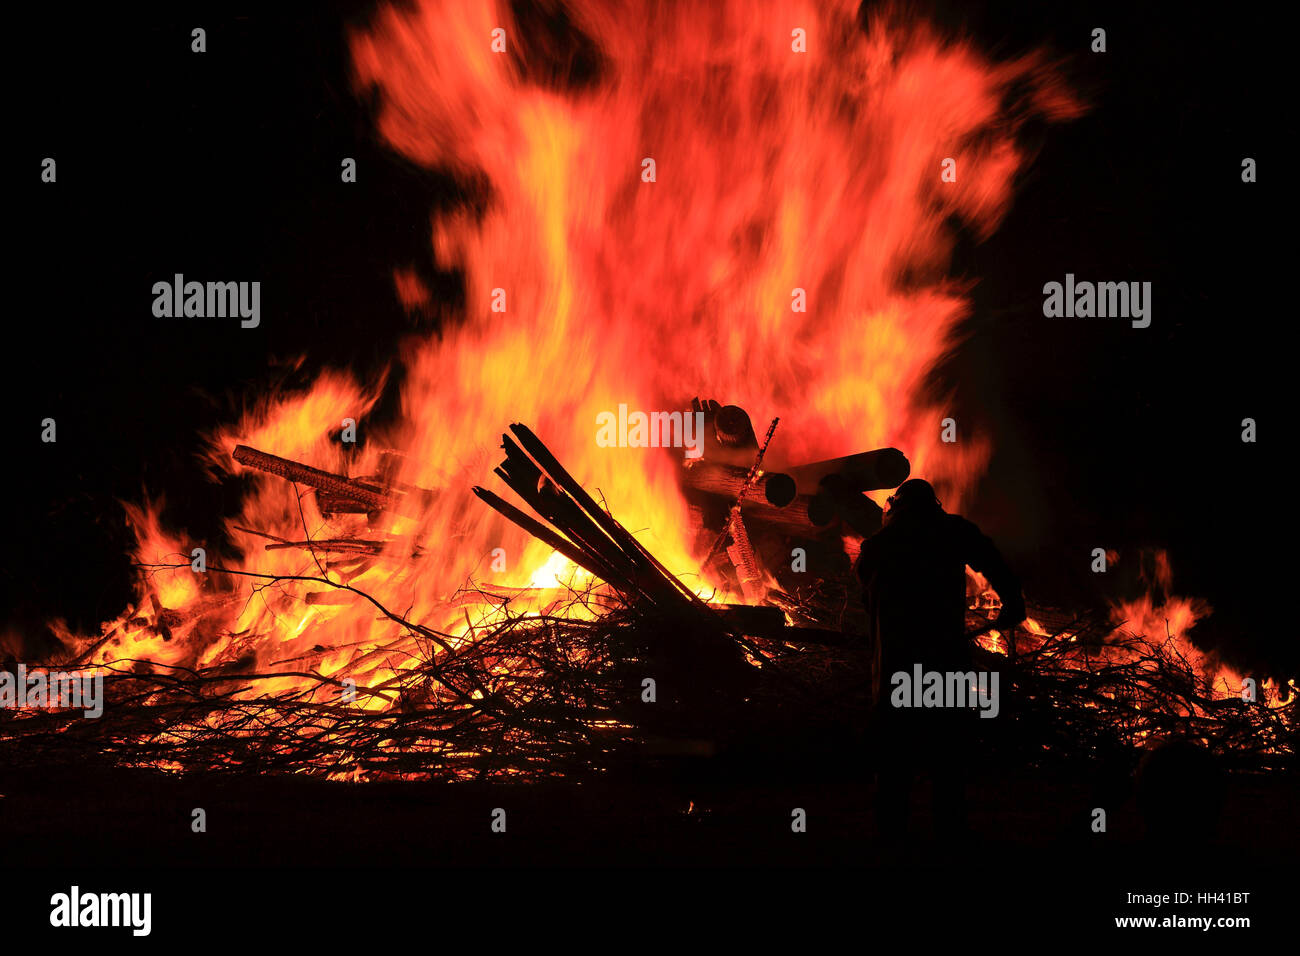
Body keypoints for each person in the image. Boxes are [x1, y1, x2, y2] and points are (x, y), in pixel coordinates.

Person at [855, 478, 1024, 843]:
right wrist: (1012, 601)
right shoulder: (953, 532)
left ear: (895, 508)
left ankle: (892, 834)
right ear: (935, 505)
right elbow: (991, 558)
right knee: (947, 751)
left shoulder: (877, 546)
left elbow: (866, 599)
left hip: (895, 668)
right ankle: (950, 831)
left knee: (894, 755)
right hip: (944, 660)